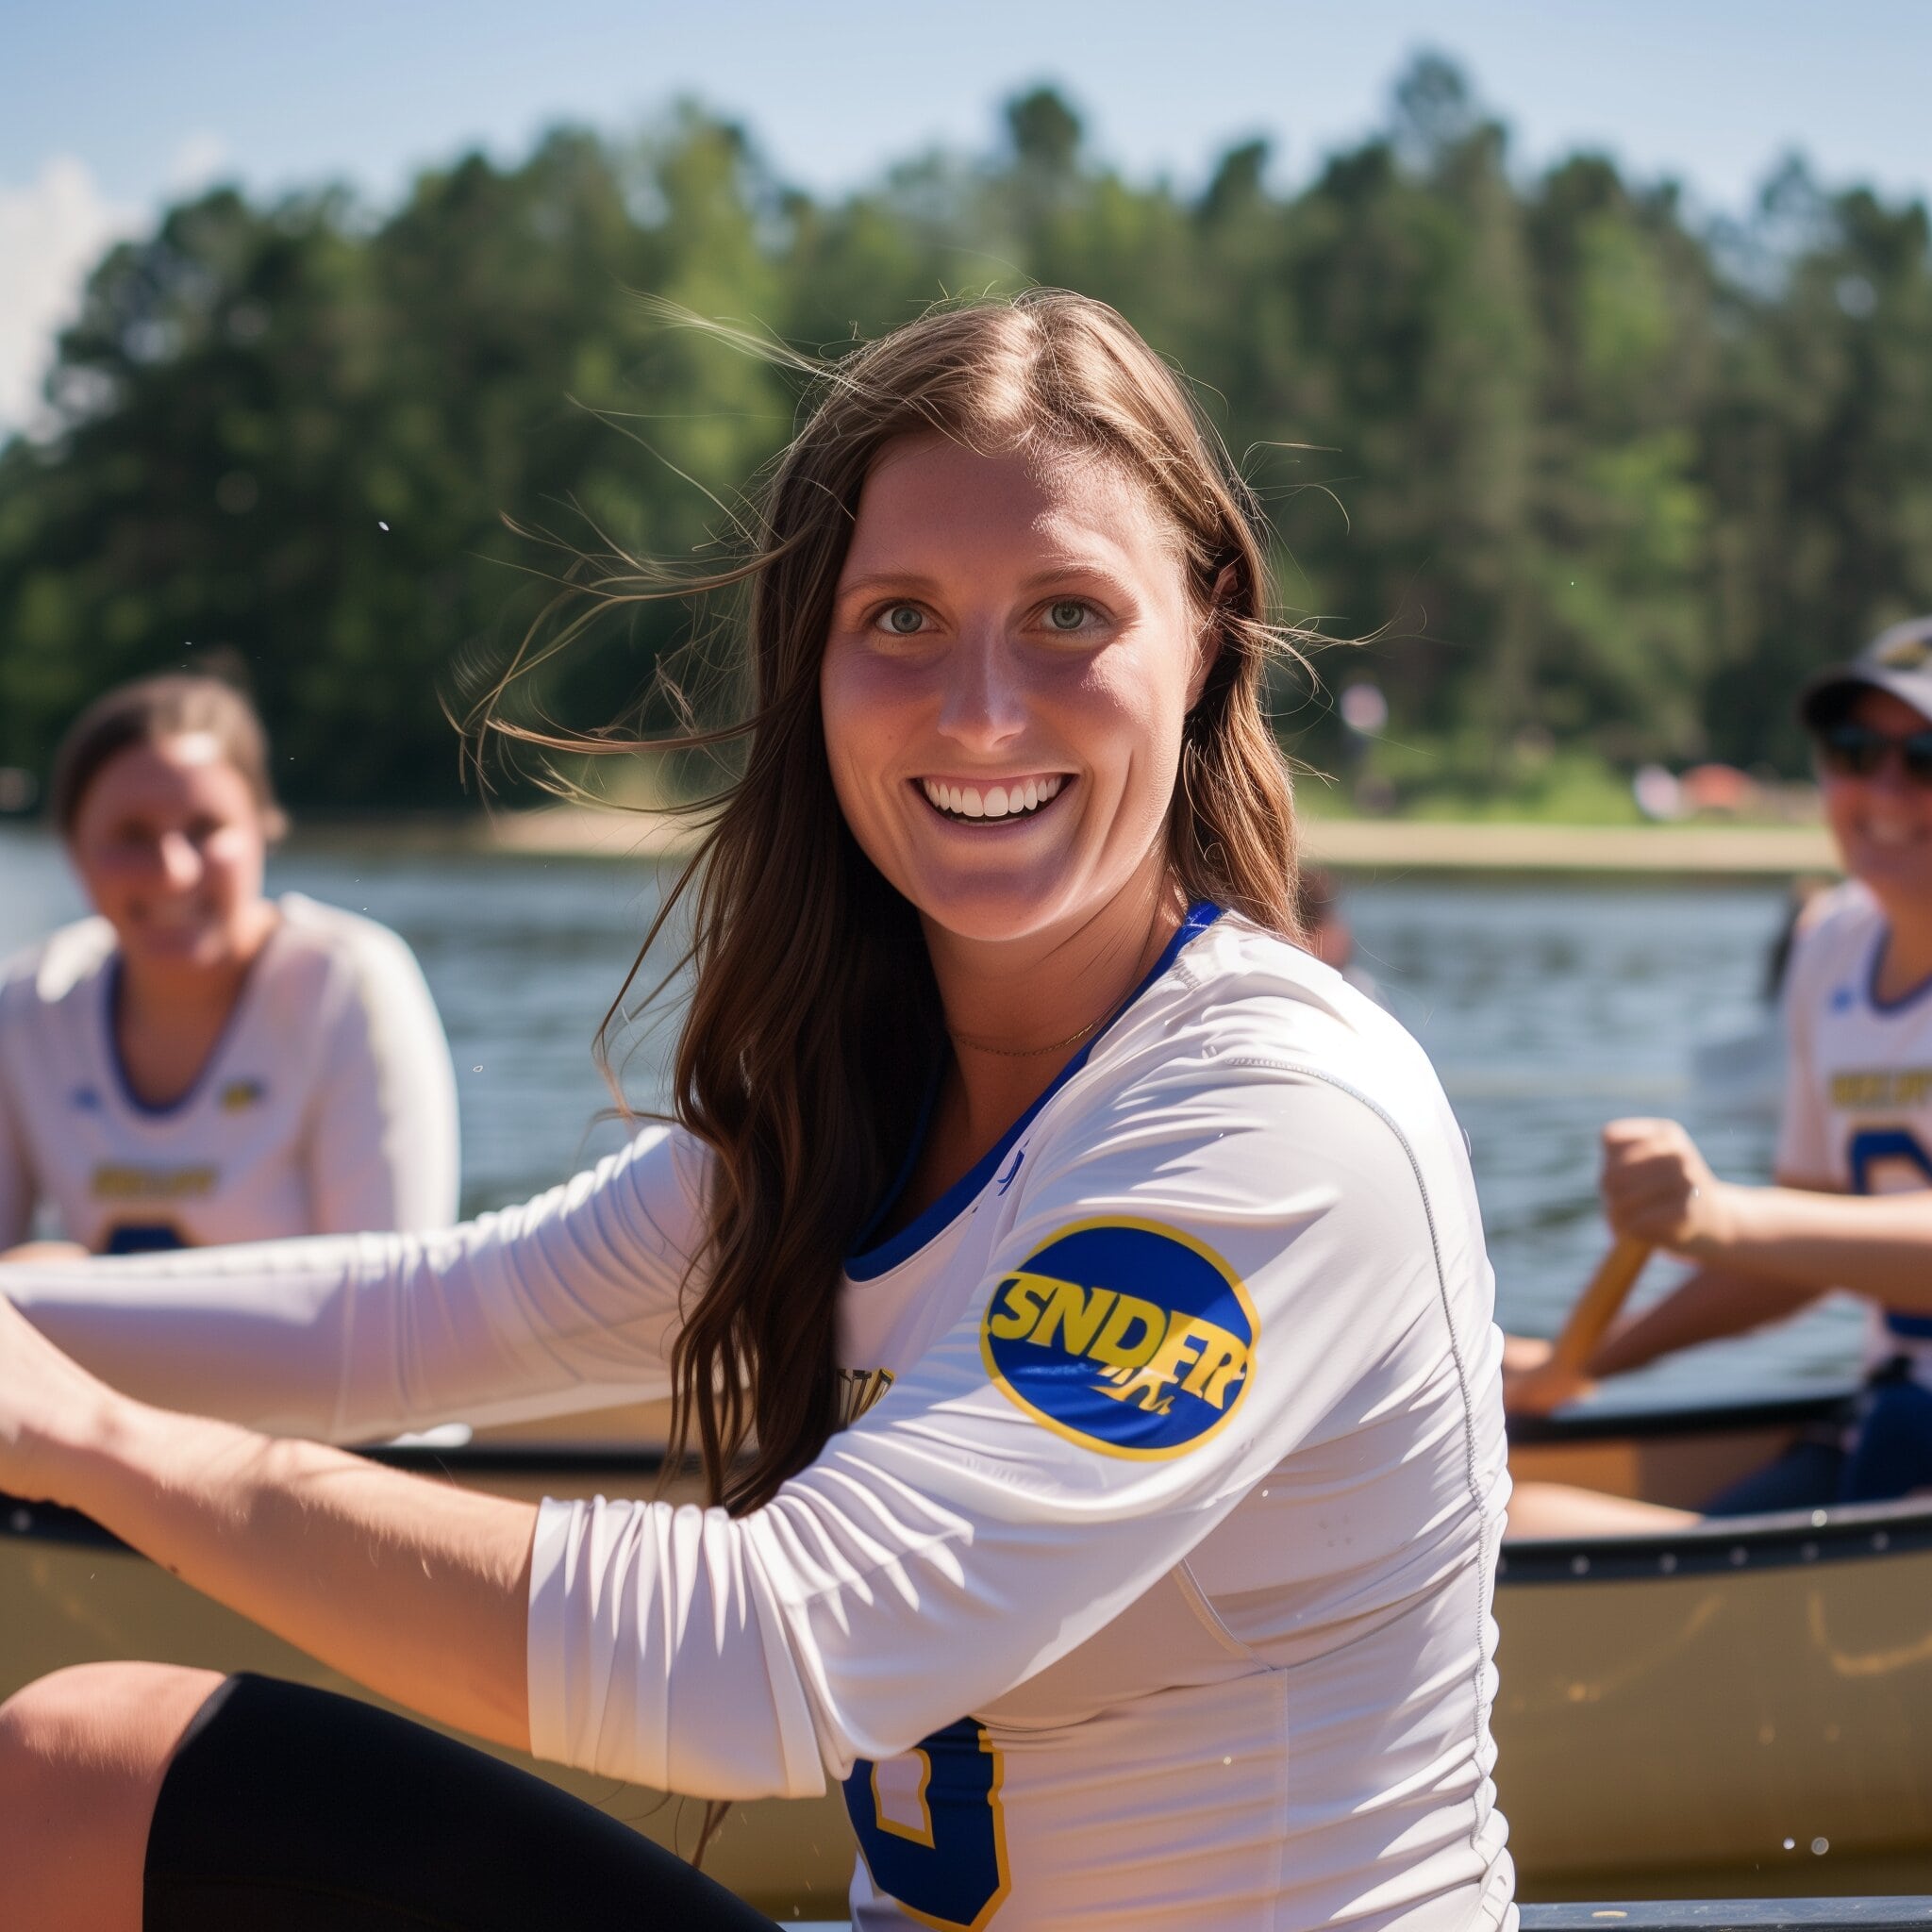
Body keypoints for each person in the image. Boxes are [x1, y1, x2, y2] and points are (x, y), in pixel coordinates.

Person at [0, 293, 1513, 1932]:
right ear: (815, 656)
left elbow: (765, 1654)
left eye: (1068, 613)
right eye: (903, 619)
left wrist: (92, 1444)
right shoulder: (852, 1101)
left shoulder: (1274, 1120)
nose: (982, 710)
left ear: (1207, 627)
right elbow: (399, 1326)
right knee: (74, 1773)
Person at [1507, 617, 1932, 1515]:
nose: (1886, 786)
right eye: (1855, 751)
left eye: (1924, 755)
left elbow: (1764, 1229)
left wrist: (1722, 1215)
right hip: (1896, 1420)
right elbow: (1801, 1255)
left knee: (1535, 1525)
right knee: (1506, 1507)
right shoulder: (1832, 947)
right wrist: (1581, 1361)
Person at [0, 673, 460, 1257]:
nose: (173, 872)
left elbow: (393, 1303)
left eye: (205, 829)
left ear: (263, 831)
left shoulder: (350, 983)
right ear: (74, 850)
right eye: (131, 835)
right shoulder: (29, 1001)